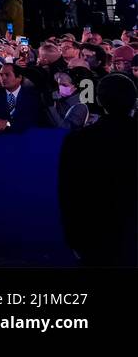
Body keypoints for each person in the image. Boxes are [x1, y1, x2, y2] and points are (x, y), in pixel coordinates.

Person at [58, 73, 137, 266]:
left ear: (100, 101)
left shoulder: (78, 141)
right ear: (134, 102)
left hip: (93, 236)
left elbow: (68, 192)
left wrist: (73, 237)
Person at [0, 62, 42, 132]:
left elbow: (31, 121)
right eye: (1, 75)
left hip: (25, 139)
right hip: (0, 138)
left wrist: (7, 124)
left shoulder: (32, 96)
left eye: (7, 75)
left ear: (19, 77)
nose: (3, 78)